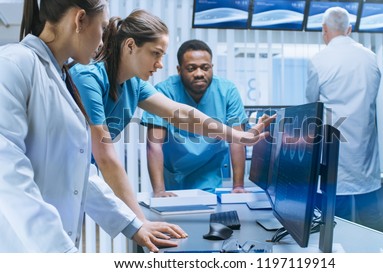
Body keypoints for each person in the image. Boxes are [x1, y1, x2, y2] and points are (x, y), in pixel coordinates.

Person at [0, 0, 188, 253]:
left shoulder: (62, 77)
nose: (103, 40)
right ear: (80, 20)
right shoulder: (13, 64)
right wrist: (61, 253)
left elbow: (78, 170)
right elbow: (6, 175)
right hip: (25, 248)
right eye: (101, 27)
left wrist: (134, 225)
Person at [70, 10, 270, 231]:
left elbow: (181, 114)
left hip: (79, 175)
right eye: (155, 53)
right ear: (130, 46)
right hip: (59, 172)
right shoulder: (88, 78)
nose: (159, 64)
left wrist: (240, 136)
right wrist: (141, 223)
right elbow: (106, 157)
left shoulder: (134, 84)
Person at [305, 7, 383, 231]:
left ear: (324, 30)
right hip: (365, 158)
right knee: (372, 222)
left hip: (334, 159)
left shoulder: (319, 61)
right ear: (349, 29)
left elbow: (312, 105)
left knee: (334, 226)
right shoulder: (371, 58)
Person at [141, 39, 247, 197]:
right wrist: (159, 190)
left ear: (212, 67)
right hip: (174, 176)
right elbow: (154, 145)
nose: (199, 74)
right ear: (179, 70)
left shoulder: (227, 91)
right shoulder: (164, 91)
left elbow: (237, 140)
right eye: (191, 68)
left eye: (205, 68)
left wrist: (238, 186)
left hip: (208, 175)